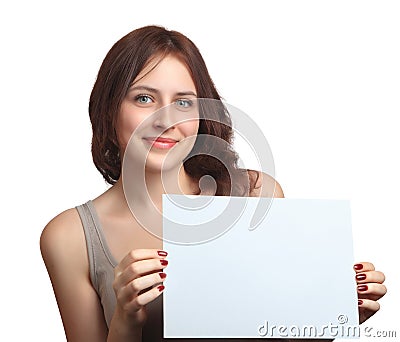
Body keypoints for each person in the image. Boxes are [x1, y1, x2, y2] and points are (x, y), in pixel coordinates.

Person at [40, 25, 387, 342]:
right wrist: (127, 321)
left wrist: (333, 317)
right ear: (109, 109)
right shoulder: (70, 236)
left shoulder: (256, 195)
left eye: (183, 102)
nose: (165, 120)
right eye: (144, 98)